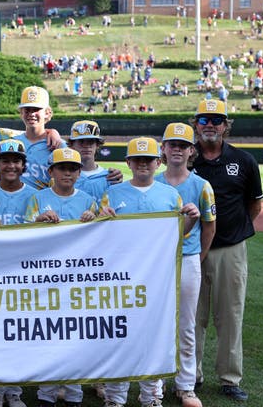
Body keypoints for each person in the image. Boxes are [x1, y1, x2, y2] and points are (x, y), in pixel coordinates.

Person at [100, 137, 200, 407]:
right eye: (137, 160)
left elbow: (178, 234)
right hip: (121, 276)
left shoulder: (170, 195)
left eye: (149, 160)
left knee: (155, 336)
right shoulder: (113, 193)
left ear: (159, 162)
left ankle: (152, 396)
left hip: (157, 277)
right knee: (119, 335)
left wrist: (190, 218)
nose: (143, 164)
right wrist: (100, 217)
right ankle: (115, 397)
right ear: (128, 163)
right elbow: (99, 235)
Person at [191, 100, 263, 402]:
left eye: (217, 120)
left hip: (230, 248)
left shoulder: (244, 160)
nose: (210, 124)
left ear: (226, 125)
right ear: (196, 123)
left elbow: (254, 206)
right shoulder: (184, 157)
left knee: (230, 315)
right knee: (192, 317)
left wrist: (231, 230)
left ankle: (229, 378)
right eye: (205, 119)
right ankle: (189, 376)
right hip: (191, 248)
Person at [156, 122, 216, 407]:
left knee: (186, 324)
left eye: (183, 145)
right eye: (172, 145)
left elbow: (209, 227)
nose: (177, 149)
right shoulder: (152, 183)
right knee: (156, 321)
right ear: (163, 149)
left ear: (192, 151)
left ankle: (185, 385)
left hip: (189, 258)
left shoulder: (202, 185)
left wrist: (198, 257)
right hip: (155, 262)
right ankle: (156, 380)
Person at [31, 148, 97, 407]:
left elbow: (103, 237)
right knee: (48, 335)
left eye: (72, 168)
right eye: (61, 168)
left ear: (80, 173)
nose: (67, 173)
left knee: (75, 335)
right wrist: (37, 221)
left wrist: (96, 219)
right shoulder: (37, 198)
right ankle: (46, 394)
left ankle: (74, 394)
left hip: (78, 279)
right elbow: (21, 237)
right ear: (51, 172)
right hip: (45, 277)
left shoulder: (89, 200)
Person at [0, 139, 35, 407]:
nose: (11, 165)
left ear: (24, 165)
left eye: (16, 160)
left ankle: (14, 390)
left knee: (17, 333)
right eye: (5, 161)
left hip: (23, 271)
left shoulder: (35, 194)